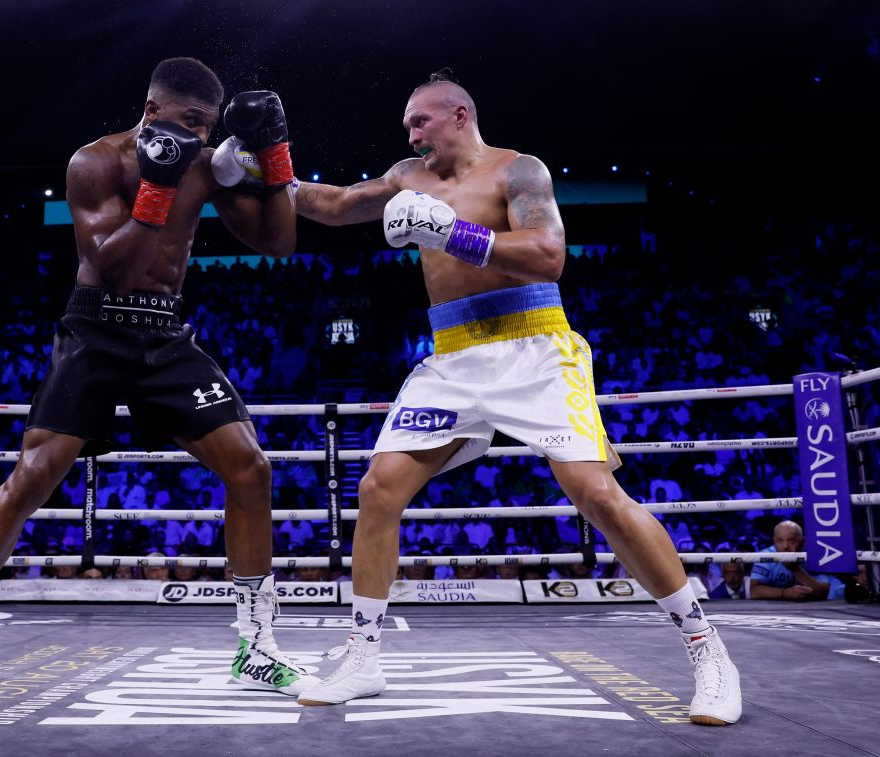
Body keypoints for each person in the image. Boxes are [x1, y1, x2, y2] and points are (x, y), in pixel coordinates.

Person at [291, 68, 741, 725]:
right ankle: (363, 656)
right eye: (407, 126)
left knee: (595, 493)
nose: (411, 135)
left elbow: (548, 254)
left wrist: (451, 233)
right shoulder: (406, 177)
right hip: (453, 358)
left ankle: (708, 650)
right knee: (377, 489)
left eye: (421, 122)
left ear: (460, 115)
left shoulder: (518, 172)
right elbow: (333, 206)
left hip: (536, 346)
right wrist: (267, 172)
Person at [0, 57, 317, 723]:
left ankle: (258, 646)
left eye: (207, 128)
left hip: (165, 336)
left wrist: (274, 158)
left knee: (251, 466)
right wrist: (157, 183)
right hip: (95, 329)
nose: (198, 139)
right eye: (187, 124)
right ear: (151, 111)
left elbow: (278, 241)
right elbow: (111, 265)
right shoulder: (92, 163)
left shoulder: (204, 165)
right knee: (32, 475)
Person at [749, 520, 844, 601]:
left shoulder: (814, 556)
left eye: (791, 541)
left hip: (810, 611)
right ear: (774, 541)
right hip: (772, 611)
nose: (785, 546)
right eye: (780, 541)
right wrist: (785, 593)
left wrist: (795, 569)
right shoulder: (766, 556)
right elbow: (754, 591)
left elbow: (823, 593)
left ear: (802, 542)